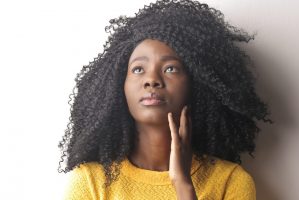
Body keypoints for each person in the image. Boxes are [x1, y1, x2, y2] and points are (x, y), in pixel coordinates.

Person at [57, 0, 272, 199]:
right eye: (138, 69)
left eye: (170, 68)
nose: (152, 80)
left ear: (197, 84)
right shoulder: (90, 181)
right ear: (118, 86)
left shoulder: (231, 181)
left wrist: (183, 185)